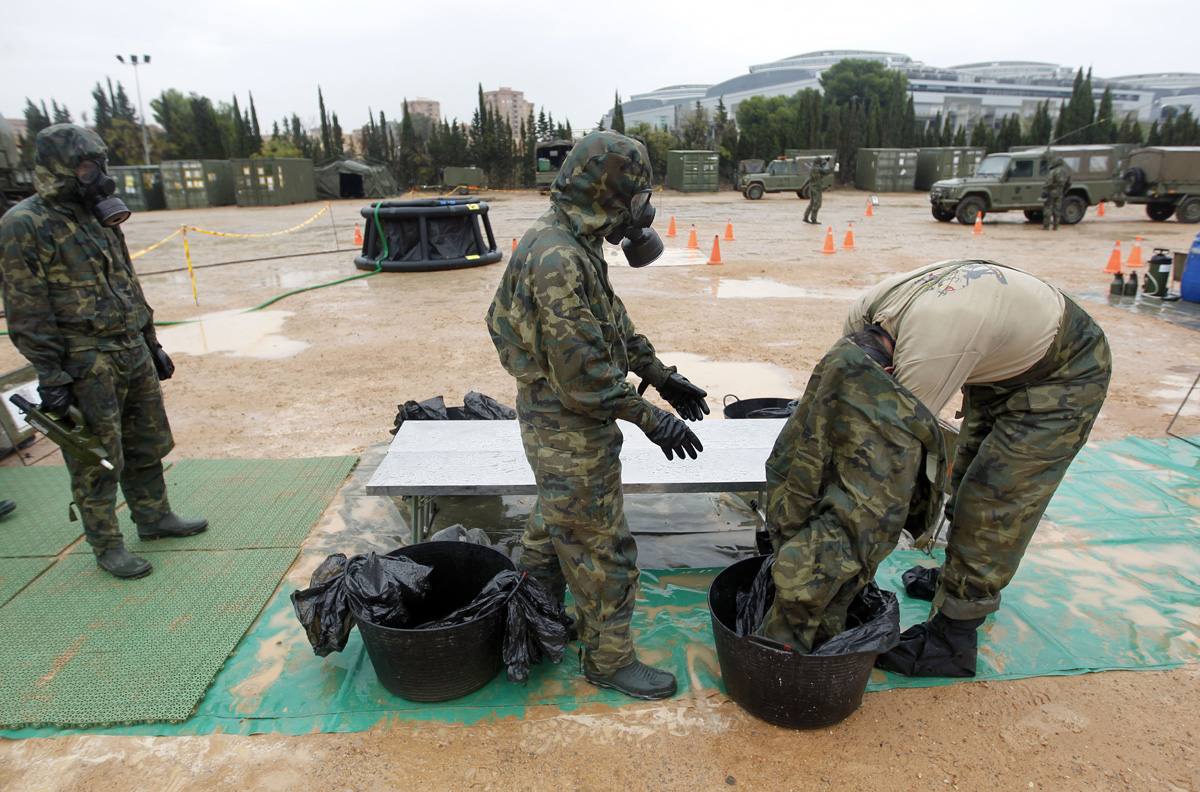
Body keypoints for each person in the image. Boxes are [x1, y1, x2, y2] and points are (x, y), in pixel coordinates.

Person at [487, 131, 708, 700]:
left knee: (552, 530)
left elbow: (609, 324)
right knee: (601, 549)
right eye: (634, 200)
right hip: (567, 423)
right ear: (610, 194)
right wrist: (652, 417)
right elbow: (585, 376)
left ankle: (533, 623)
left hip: (564, 418)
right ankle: (607, 660)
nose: (638, 216)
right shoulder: (557, 257)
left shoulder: (574, 240)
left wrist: (659, 372)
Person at [844, 260, 1110, 676]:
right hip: (999, 355)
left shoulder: (928, 356)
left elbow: (891, 459)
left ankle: (954, 637)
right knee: (964, 473)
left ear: (895, 369)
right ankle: (954, 577)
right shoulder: (860, 315)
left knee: (995, 499)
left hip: (1064, 373)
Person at [0, 124, 207, 580]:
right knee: (96, 455)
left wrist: (150, 340)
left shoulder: (101, 213)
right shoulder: (24, 224)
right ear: (58, 167)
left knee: (145, 441)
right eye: (85, 165)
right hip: (83, 359)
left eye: (99, 164)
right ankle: (106, 544)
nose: (97, 175)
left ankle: (153, 516)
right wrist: (51, 375)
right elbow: (26, 308)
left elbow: (127, 282)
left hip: (129, 345)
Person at [759, 327, 945, 651]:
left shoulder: (889, 428)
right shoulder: (846, 371)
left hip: (855, 527)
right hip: (830, 534)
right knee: (809, 580)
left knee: (818, 578)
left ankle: (805, 657)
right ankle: (792, 657)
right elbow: (799, 462)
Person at [1042, 156, 1071, 230]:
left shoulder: (1053, 171)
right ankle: (1056, 226)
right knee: (1057, 210)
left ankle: (1046, 226)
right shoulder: (1066, 172)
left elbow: (1048, 183)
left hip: (1051, 192)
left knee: (1048, 209)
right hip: (1060, 193)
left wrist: (1044, 191)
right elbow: (1069, 183)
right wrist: (1064, 191)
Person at [802, 157, 831, 225]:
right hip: (816, 188)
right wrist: (827, 164)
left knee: (811, 204)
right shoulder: (817, 169)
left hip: (812, 187)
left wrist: (824, 163)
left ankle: (805, 217)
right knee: (817, 204)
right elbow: (826, 172)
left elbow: (821, 171)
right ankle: (813, 219)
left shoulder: (813, 168)